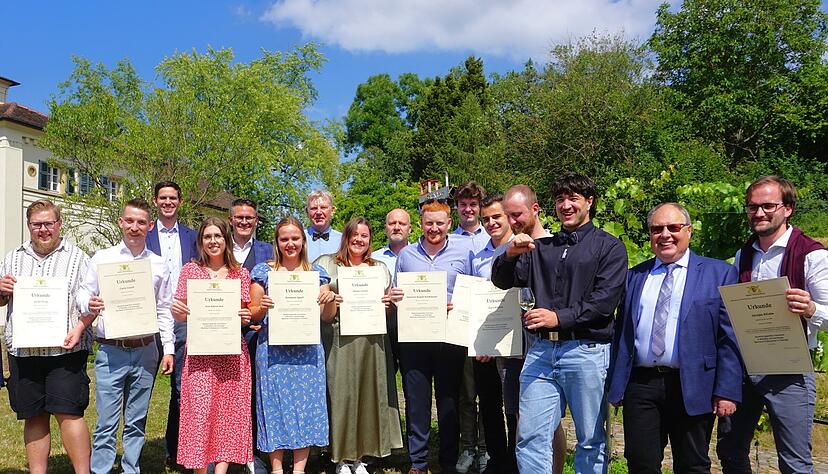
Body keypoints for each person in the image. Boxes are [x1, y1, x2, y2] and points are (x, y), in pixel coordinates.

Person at [491, 173, 627, 474]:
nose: (566, 205)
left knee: (590, 439)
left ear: (589, 202)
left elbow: (604, 303)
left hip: (587, 351)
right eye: (560, 199)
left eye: (573, 198)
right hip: (541, 352)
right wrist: (509, 254)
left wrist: (558, 318)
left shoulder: (609, 247)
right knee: (530, 437)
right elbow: (501, 280)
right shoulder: (540, 248)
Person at [608, 203, 741, 473]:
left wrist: (727, 390)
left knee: (692, 465)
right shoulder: (635, 276)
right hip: (642, 384)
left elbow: (730, 338)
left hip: (693, 384)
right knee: (640, 463)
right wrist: (616, 383)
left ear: (689, 231)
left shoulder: (719, 273)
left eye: (673, 227)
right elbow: (621, 331)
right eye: (657, 229)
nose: (665, 234)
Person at [716, 176, 827, 474]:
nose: (759, 213)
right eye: (752, 207)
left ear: (788, 209)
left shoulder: (813, 255)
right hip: (744, 366)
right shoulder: (743, 254)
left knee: (794, 463)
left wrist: (811, 309)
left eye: (768, 206)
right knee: (730, 452)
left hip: (789, 369)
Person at [77, 198, 175, 474]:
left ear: (150, 226)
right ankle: (101, 470)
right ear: (120, 222)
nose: (135, 227)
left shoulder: (158, 264)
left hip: (146, 350)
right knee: (106, 421)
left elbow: (165, 308)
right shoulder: (103, 258)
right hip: (112, 350)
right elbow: (83, 292)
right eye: (129, 221)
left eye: (141, 222)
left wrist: (168, 348)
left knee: (136, 420)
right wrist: (89, 303)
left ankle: (131, 468)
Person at [0, 199, 92, 474]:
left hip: (65, 350)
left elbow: (90, 304)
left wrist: (80, 328)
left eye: (48, 223)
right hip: (25, 351)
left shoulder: (79, 258)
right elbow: (1, 300)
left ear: (59, 224)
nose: (43, 230)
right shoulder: (12, 258)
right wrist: (1, 290)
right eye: (36, 224)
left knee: (70, 414)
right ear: (28, 225)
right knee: (34, 415)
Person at [316, 217, 404, 474]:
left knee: (369, 393)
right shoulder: (326, 264)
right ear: (346, 237)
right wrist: (331, 300)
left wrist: (387, 305)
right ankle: (341, 458)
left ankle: (362, 456)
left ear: (370, 239)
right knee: (341, 395)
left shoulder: (380, 268)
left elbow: (386, 311)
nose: (359, 240)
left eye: (364, 236)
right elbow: (322, 312)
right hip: (339, 340)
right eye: (354, 235)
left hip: (372, 341)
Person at [248, 217, 336, 474]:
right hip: (273, 352)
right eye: (284, 238)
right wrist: (261, 308)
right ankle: (276, 469)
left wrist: (330, 298)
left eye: (295, 238)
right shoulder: (263, 272)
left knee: (305, 408)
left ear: (303, 241)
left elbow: (327, 317)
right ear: (277, 242)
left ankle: (299, 470)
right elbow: (253, 313)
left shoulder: (316, 274)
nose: (290, 243)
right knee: (273, 406)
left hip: (307, 352)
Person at [394, 200, 473, 474]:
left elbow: (471, 291)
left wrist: (459, 304)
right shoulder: (406, 255)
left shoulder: (463, 253)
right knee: (416, 403)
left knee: (449, 400)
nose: (434, 228)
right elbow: (396, 292)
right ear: (421, 224)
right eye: (429, 223)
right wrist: (395, 297)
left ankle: (448, 462)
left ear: (449, 223)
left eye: (440, 223)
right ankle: (418, 462)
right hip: (414, 338)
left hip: (450, 337)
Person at [170, 217, 253, 473]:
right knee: (199, 415)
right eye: (207, 236)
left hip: (231, 356)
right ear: (201, 242)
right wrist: (177, 311)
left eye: (218, 236)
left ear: (226, 240)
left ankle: (221, 470)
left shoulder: (241, 274)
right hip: (200, 356)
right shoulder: (190, 271)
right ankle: (199, 469)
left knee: (228, 414)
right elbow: (180, 312)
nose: (213, 241)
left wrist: (246, 316)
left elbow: (244, 311)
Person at [497, 184, 566, 474]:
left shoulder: (556, 246)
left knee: (551, 421)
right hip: (514, 347)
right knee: (521, 416)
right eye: (508, 215)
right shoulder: (510, 249)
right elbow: (500, 282)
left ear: (535, 210)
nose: (512, 221)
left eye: (517, 215)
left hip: (548, 346)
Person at [147, 180, 197, 471]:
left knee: (181, 388)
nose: (168, 202)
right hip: (146, 318)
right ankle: (134, 452)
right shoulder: (143, 233)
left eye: (173, 198)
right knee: (142, 389)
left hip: (182, 319)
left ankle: (176, 450)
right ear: (155, 201)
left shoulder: (193, 237)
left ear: (180, 202)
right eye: (163, 198)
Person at [469, 194, 514, 474]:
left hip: (515, 343)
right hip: (485, 344)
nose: (491, 223)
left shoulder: (522, 248)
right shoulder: (477, 257)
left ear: (508, 216)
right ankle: (496, 461)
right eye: (485, 219)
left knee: (515, 407)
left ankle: (515, 463)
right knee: (489, 405)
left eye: (496, 217)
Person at [229, 198, 273, 474]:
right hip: (221, 333)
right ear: (231, 220)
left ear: (256, 221)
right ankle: (223, 450)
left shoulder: (269, 250)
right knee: (228, 395)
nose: (244, 222)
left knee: (255, 394)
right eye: (240, 217)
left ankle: (253, 454)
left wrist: (260, 319)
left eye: (250, 218)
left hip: (256, 334)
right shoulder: (218, 247)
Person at [451, 182, 490, 473]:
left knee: (489, 393)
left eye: (473, 204)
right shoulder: (449, 241)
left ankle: (487, 448)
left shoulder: (494, 236)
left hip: (491, 325)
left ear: (480, 206)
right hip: (462, 326)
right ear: (457, 208)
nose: (468, 209)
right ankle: (467, 448)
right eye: (463, 204)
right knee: (465, 393)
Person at [371, 208, 413, 371]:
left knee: (412, 373)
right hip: (384, 321)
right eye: (392, 223)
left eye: (402, 223)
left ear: (409, 228)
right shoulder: (373, 259)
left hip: (413, 322)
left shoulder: (420, 256)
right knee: (385, 370)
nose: (396, 227)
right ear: (385, 228)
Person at [305, 189, 342, 262]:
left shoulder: (343, 240)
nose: (318, 212)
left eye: (323, 207)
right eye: (314, 208)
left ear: (332, 210)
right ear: (307, 212)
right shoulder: (298, 239)